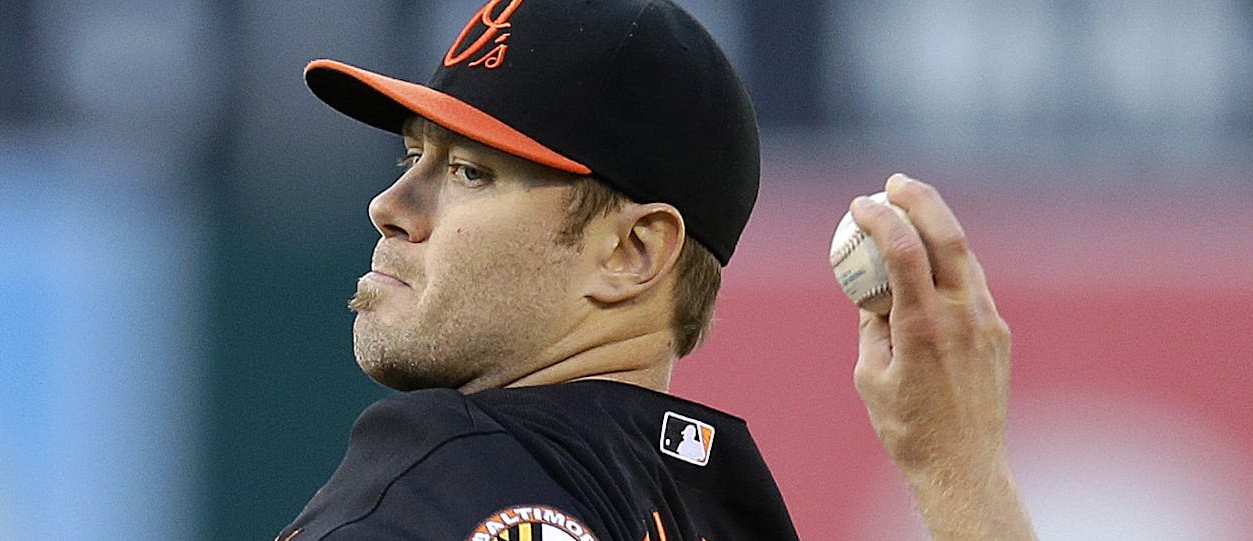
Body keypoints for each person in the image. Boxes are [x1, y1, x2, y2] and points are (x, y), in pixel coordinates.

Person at [278, 0, 1035, 539]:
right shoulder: (707, 504)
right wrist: (962, 475)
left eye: (470, 171)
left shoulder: (449, 494)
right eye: (415, 156)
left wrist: (957, 466)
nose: (390, 204)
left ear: (632, 251)